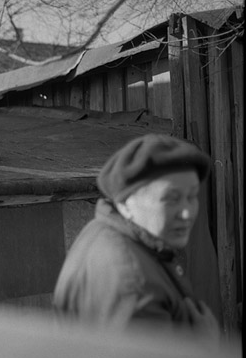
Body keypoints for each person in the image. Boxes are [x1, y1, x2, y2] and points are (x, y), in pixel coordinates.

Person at [53, 133, 221, 344]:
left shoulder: (103, 229)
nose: (187, 213)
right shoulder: (135, 285)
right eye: (171, 199)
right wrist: (204, 345)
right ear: (125, 203)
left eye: (192, 196)